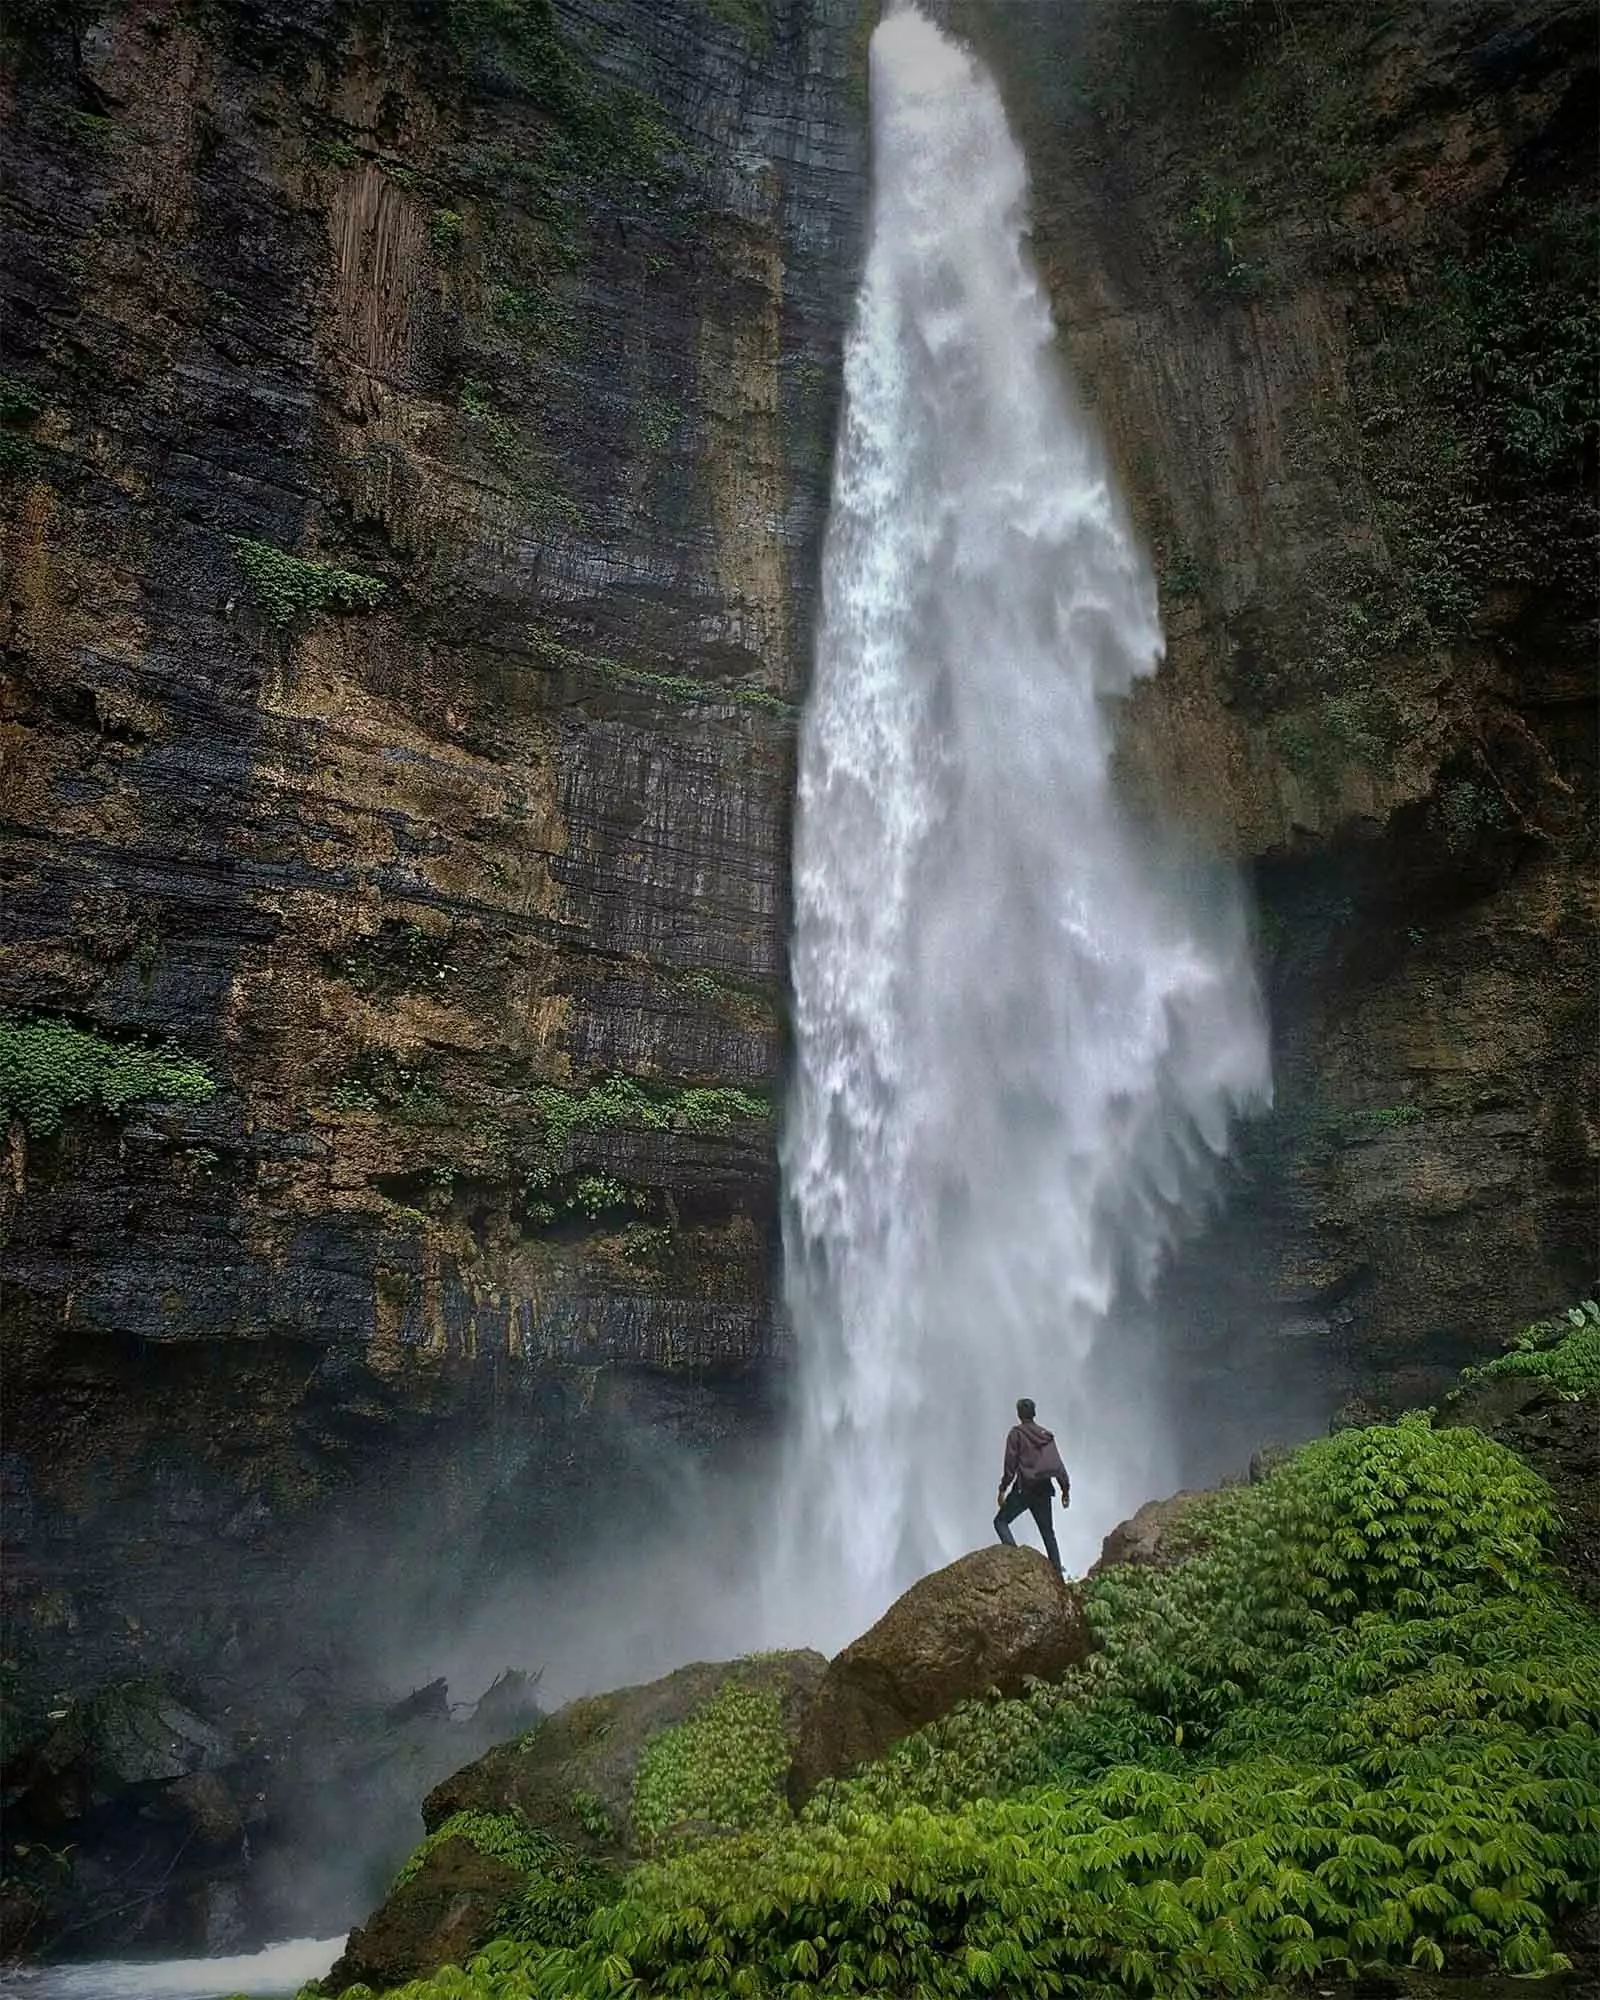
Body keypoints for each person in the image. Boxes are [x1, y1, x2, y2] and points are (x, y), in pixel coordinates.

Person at [994, 1397, 1070, 1577]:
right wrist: (1065, 1490)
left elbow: (1010, 1466)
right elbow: (1057, 1465)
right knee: (1048, 1533)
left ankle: (1014, 1559)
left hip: (1024, 1489)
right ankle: (1058, 1574)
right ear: (1034, 1413)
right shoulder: (1046, 1435)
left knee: (1000, 1522)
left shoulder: (1016, 1434)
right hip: (1044, 1489)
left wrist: (1002, 1489)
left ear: (1019, 1413)